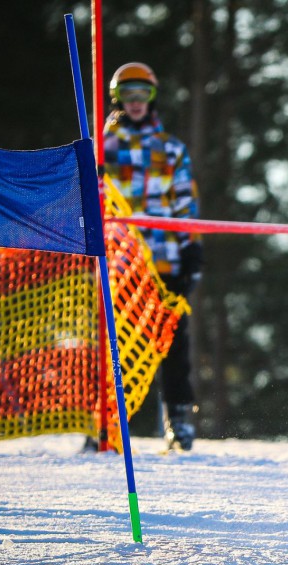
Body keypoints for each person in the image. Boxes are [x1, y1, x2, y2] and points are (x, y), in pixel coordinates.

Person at [102, 62, 203, 451]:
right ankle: (106, 421)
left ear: (152, 97)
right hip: (119, 264)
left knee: (174, 344)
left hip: (165, 263)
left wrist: (191, 250)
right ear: (118, 99)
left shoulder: (171, 148)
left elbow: (185, 204)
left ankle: (179, 418)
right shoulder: (104, 148)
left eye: (142, 93)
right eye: (128, 94)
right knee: (115, 344)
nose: (136, 101)